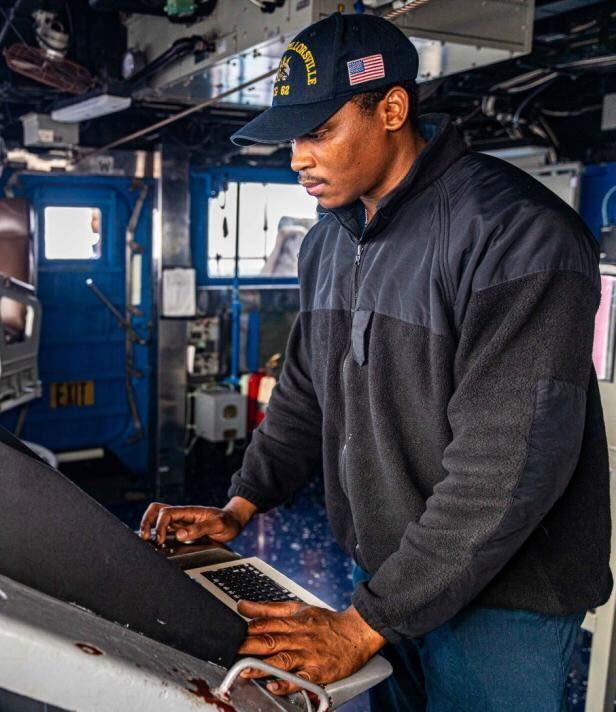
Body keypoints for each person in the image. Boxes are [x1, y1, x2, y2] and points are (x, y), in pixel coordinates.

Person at [141, 12, 612, 711]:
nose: (297, 157)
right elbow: (304, 390)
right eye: (291, 137)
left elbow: (506, 464)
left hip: (505, 595)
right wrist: (240, 505)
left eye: (318, 132)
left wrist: (364, 623)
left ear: (391, 108)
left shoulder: (517, 237)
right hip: (389, 573)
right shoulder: (329, 242)